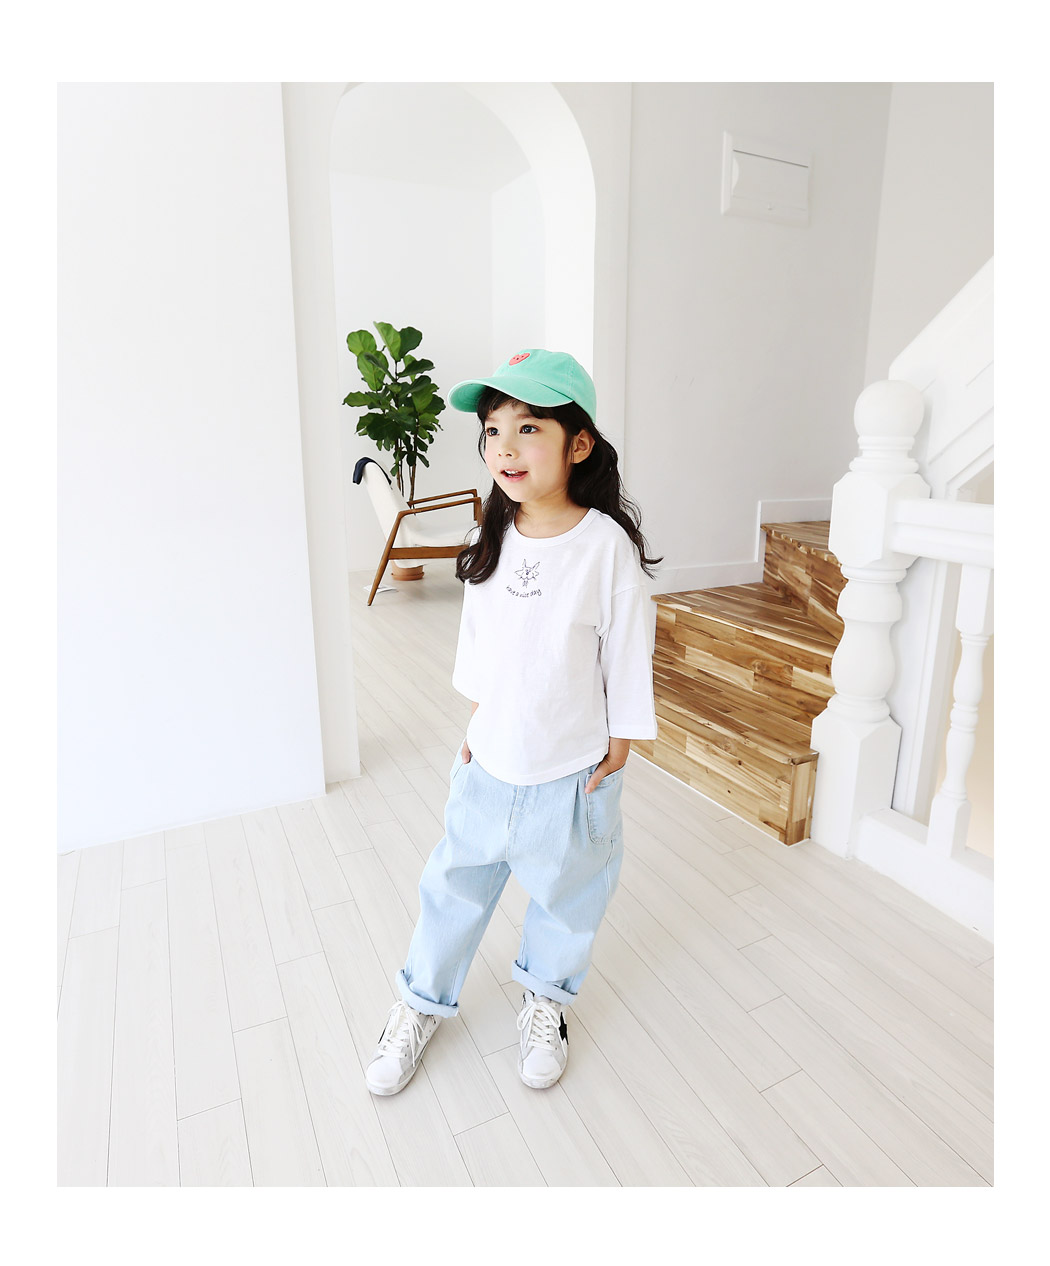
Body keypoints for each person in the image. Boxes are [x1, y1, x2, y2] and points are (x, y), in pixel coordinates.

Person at [364, 348, 662, 1097]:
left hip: (571, 773)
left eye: (528, 428)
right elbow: (480, 642)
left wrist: (620, 744)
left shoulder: (605, 548)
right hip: (490, 763)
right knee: (453, 890)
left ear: (578, 443)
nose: (505, 447)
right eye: (493, 431)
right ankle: (419, 1003)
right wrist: (477, 720)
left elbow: (628, 648)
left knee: (569, 897)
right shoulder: (488, 538)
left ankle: (547, 1001)